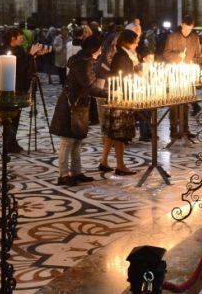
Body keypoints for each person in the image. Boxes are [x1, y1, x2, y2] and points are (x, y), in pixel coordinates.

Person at [50, 36, 107, 186]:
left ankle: (76, 173)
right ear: (93, 49)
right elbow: (89, 87)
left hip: (77, 105)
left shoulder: (84, 61)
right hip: (71, 106)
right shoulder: (83, 64)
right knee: (67, 141)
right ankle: (63, 175)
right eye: (100, 48)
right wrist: (109, 93)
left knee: (76, 140)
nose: (101, 51)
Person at [99, 29, 141, 175]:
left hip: (116, 96)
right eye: (135, 41)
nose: (137, 43)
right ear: (127, 42)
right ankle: (120, 165)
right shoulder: (123, 57)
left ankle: (104, 161)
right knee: (119, 132)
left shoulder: (121, 54)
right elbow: (124, 80)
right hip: (120, 98)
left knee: (113, 132)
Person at [4, 27, 42, 153]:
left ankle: (12, 140)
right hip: (11, 86)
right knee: (10, 115)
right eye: (19, 36)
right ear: (12, 38)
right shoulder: (8, 51)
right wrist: (30, 54)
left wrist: (33, 55)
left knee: (16, 115)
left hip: (20, 86)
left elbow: (25, 63)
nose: (22, 38)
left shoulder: (19, 50)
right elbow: (19, 67)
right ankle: (9, 141)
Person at [163, 15, 199, 138]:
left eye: (190, 29)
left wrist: (196, 65)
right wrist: (177, 55)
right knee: (174, 103)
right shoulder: (172, 37)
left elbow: (197, 55)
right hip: (174, 73)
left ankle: (185, 128)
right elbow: (166, 54)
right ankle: (173, 128)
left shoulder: (195, 38)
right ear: (181, 25)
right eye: (185, 29)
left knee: (186, 102)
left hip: (188, 74)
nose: (187, 32)